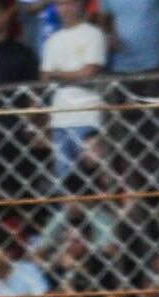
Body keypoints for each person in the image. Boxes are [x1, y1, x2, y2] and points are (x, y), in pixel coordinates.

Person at [40, 0, 107, 187]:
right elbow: (44, 77)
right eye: (61, 4)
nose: (65, 9)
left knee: (94, 171)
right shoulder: (52, 40)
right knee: (64, 180)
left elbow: (89, 72)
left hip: (87, 113)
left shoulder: (93, 34)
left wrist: (57, 74)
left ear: (80, 5)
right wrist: (73, 74)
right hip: (60, 116)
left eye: (70, 3)